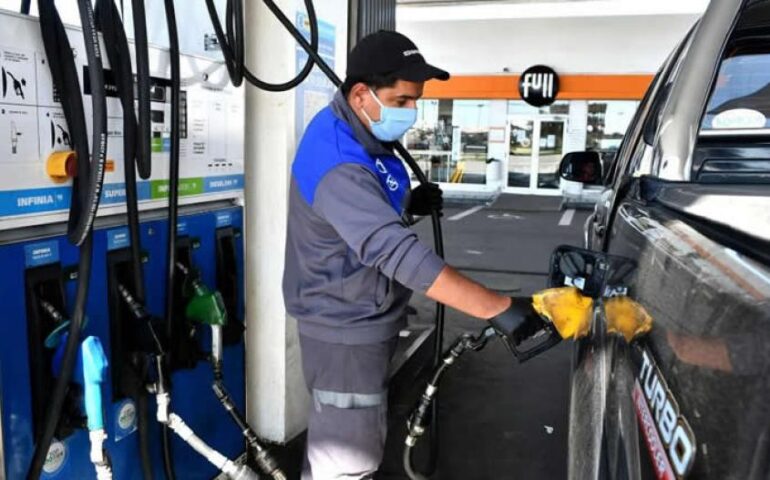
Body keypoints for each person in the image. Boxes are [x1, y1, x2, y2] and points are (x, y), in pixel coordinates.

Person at [283, 30, 547, 479]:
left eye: (415, 101)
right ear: (361, 94)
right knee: (345, 464)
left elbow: (357, 217)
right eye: (402, 101)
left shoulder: (356, 132)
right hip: (346, 331)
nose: (411, 112)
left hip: (360, 316)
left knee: (354, 446)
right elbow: (395, 253)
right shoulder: (339, 162)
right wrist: (498, 308)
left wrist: (407, 204)